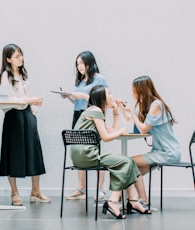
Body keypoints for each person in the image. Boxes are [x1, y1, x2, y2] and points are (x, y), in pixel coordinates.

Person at [71, 85, 151, 219]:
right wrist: (122, 130)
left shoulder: (93, 111)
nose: (112, 96)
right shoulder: (96, 110)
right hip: (87, 155)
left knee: (128, 162)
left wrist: (115, 112)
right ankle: (113, 202)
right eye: (109, 93)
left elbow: (112, 129)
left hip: (81, 155)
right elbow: (106, 137)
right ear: (101, 97)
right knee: (126, 162)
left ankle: (133, 201)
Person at [0, 44, 51, 206]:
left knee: (34, 152)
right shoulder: (5, 76)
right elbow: (7, 100)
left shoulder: (23, 74)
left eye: (21, 55)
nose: (20, 58)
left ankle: (36, 190)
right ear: (8, 59)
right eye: (16, 56)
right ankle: (14, 192)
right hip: (13, 117)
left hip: (28, 116)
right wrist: (29, 101)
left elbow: (31, 94)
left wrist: (33, 112)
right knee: (13, 154)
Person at [121, 75, 181, 208]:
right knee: (130, 171)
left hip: (168, 152)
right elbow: (130, 121)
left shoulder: (156, 105)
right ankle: (140, 201)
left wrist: (131, 110)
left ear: (141, 89)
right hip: (159, 151)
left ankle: (140, 200)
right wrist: (121, 110)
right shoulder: (145, 105)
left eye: (133, 89)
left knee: (129, 162)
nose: (132, 93)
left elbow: (142, 129)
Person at [60, 51, 108, 201]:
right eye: (77, 63)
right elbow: (78, 103)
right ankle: (81, 188)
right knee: (78, 150)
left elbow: (103, 99)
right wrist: (69, 96)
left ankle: (100, 190)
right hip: (79, 115)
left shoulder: (100, 78)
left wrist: (82, 95)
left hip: (93, 115)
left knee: (94, 150)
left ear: (89, 63)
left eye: (81, 63)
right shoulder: (80, 81)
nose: (79, 66)